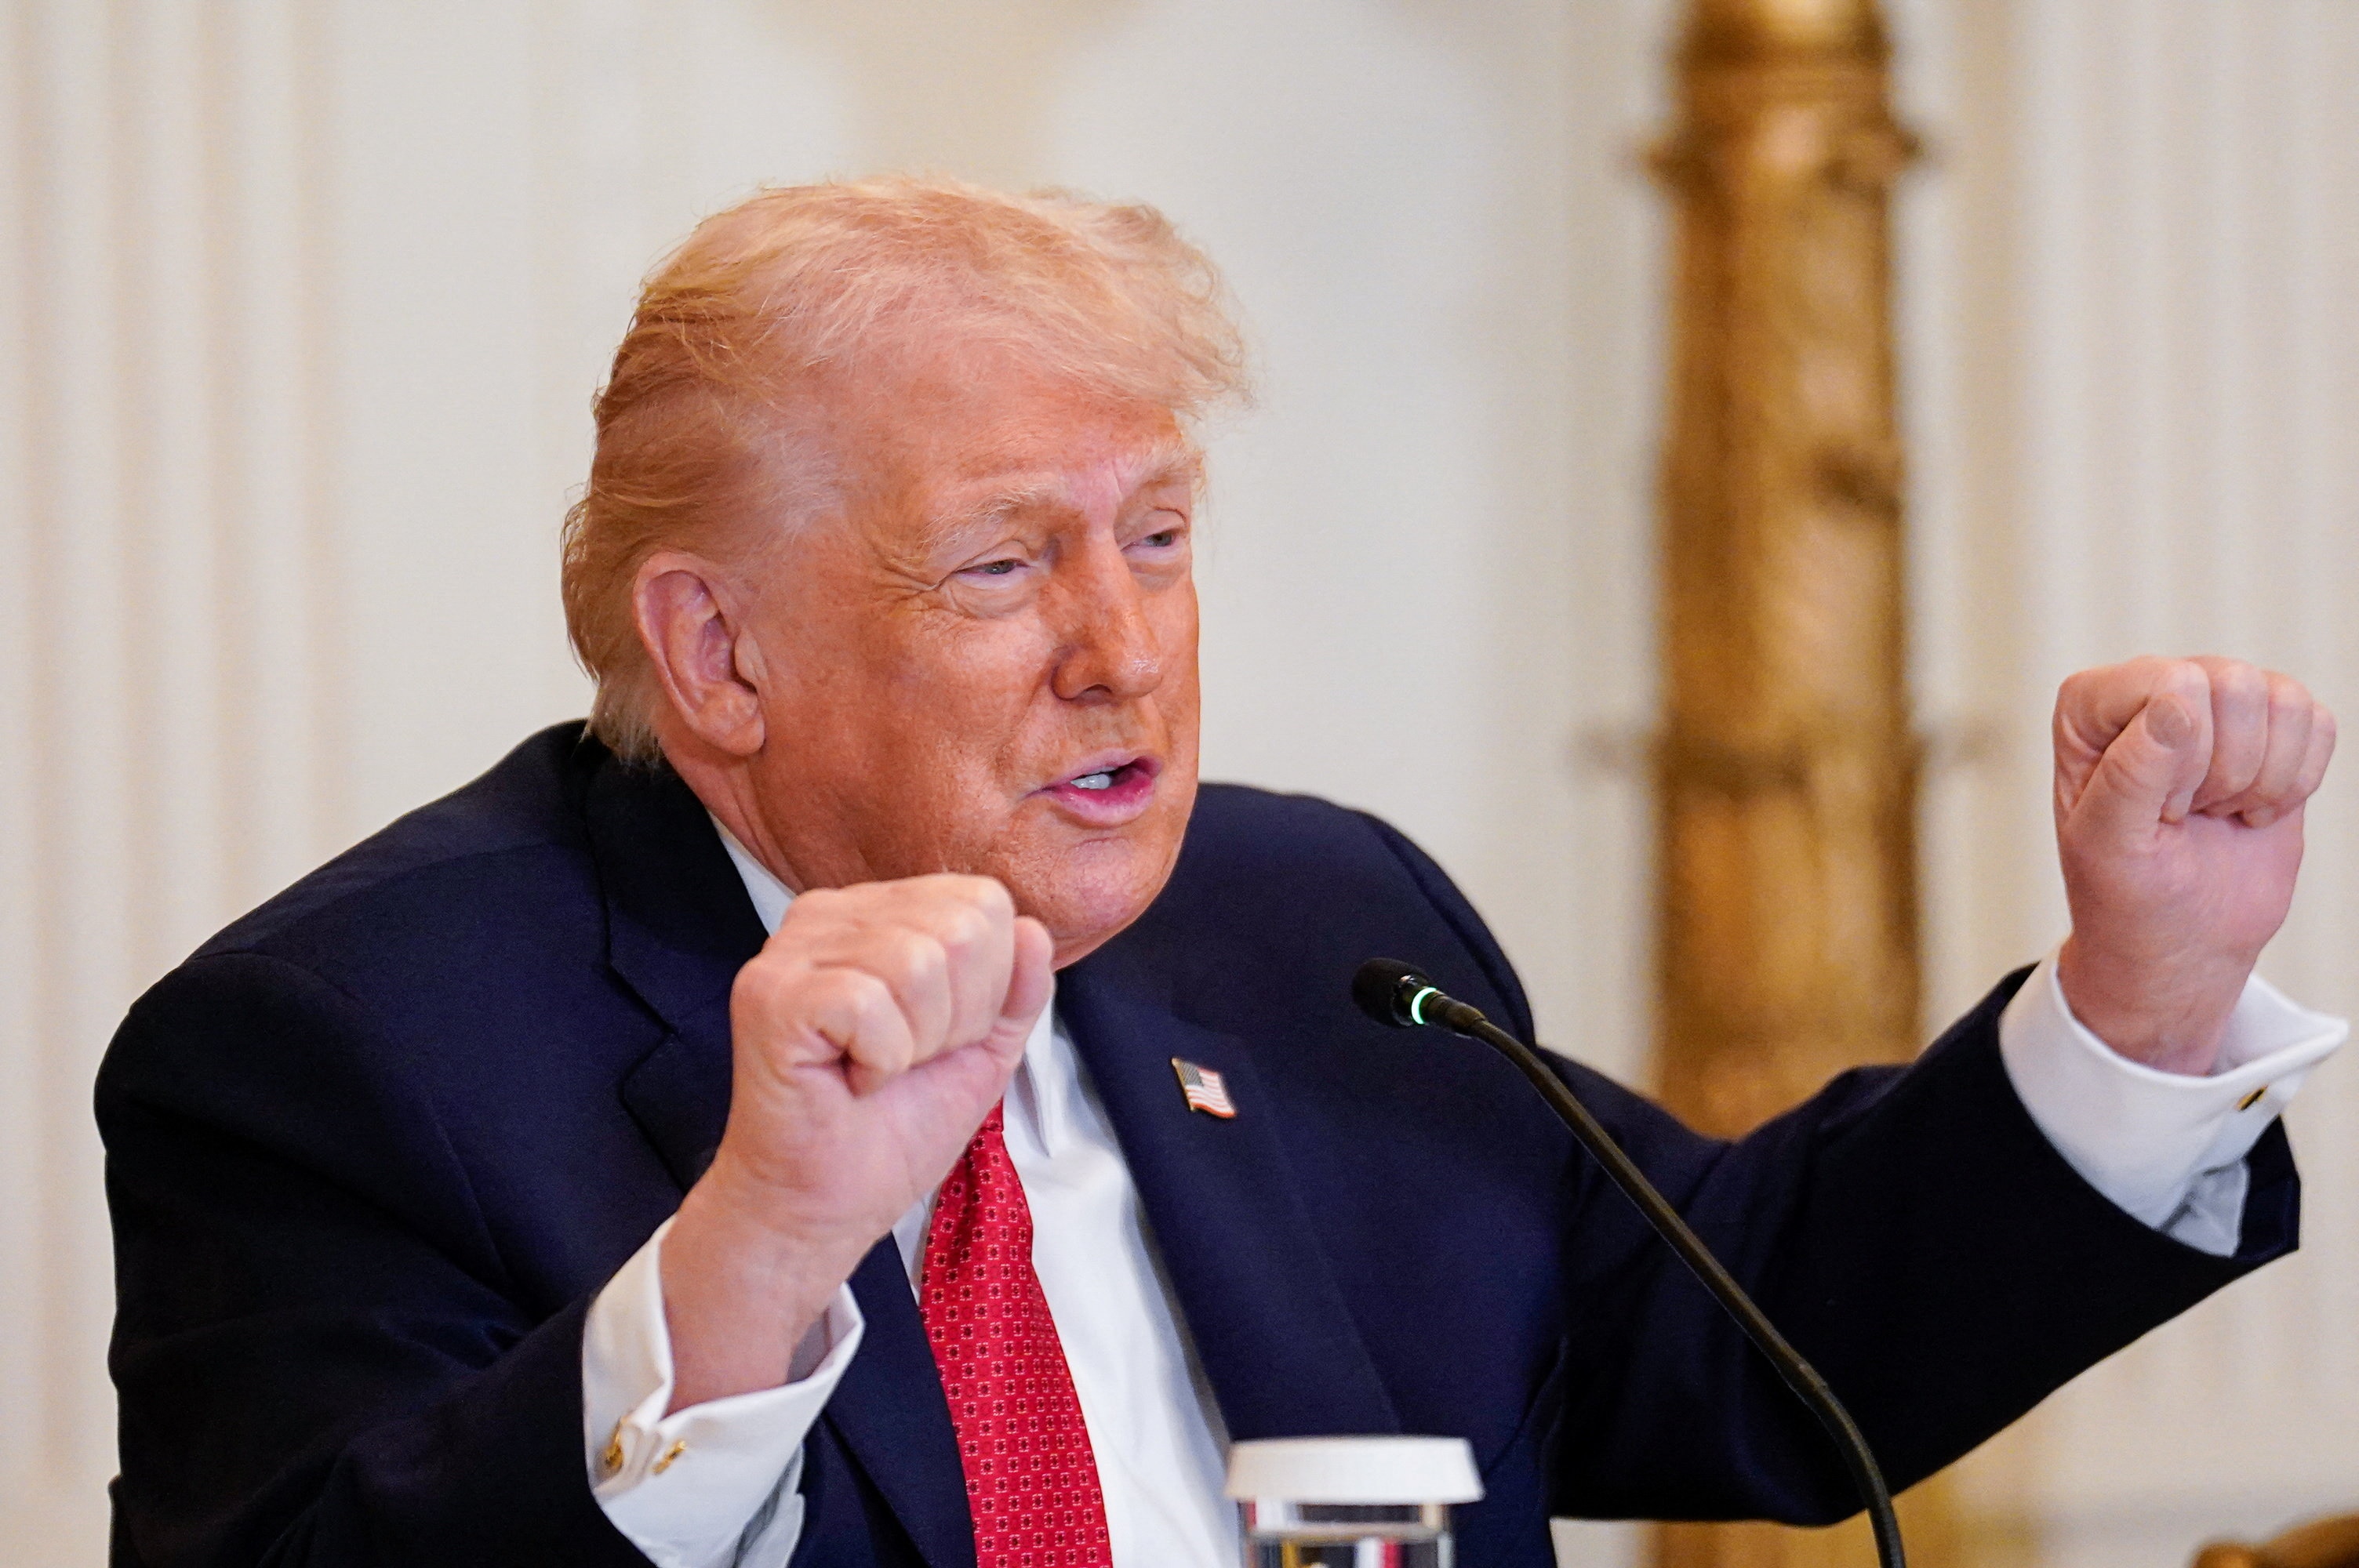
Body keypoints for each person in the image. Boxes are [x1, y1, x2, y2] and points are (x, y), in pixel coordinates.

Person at [100, 178, 2343, 1568]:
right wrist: (755, 1261)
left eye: (1158, 538)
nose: (1127, 648)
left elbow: (1738, 1344)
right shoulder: (346, 1052)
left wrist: (2140, 999)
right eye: (1003, 563)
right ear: (717, 652)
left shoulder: (1310, 929)